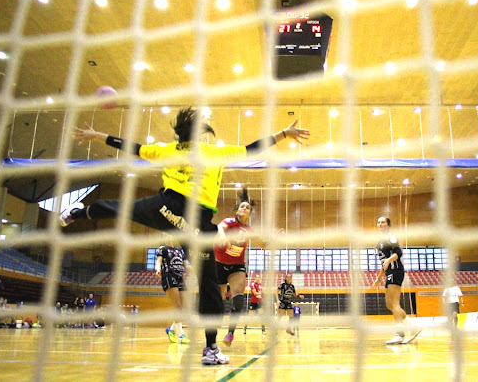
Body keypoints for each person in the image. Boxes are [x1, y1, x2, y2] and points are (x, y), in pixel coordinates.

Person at [60, 107, 309, 365]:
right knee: (210, 285)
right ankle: (211, 349)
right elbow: (253, 148)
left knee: (121, 208)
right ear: (201, 135)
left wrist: (98, 135)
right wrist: (283, 134)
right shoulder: (214, 153)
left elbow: (132, 147)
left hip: (163, 208)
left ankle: (79, 213)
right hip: (194, 225)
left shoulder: (167, 150)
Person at [214, 188, 266, 346]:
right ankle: (213, 333)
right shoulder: (229, 222)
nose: (244, 208)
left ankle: (230, 334)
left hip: (237, 266)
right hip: (219, 264)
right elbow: (220, 227)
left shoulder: (249, 231)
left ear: (250, 214)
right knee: (218, 301)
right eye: (242, 206)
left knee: (238, 298)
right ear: (237, 210)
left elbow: (263, 244)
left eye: (248, 207)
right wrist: (222, 236)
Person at [371, 217, 421, 344]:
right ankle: (410, 328)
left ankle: (401, 333)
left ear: (388, 225)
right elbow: (384, 263)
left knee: (395, 304)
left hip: (396, 270)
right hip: (389, 273)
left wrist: (388, 260)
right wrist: (378, 278)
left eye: (383, 222)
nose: (380, 224)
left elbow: (398, 253)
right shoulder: (380, 241)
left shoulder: (390, 236)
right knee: (389, 305)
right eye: (378, 222)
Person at [155, 241, 191, 343]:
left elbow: (186, 266)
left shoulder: (180, 250)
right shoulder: (162, 249)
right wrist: (157, 268)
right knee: (178, 306)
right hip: (169, 276)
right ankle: (181, 335)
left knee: (184, 307)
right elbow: (158, 261)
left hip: (180, 277)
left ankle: (171, 329)